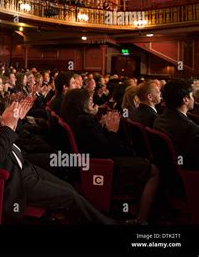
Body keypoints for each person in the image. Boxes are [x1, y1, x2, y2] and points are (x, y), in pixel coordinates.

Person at [0, 79, 116, 224]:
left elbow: (7, 138)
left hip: (24, 166)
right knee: (71, 197)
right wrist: (7, 126)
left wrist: (16, 120)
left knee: (69, 188)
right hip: (14, 179)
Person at [61, 88, 159, 223]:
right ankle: (142, 219)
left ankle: (134, 209)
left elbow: (96, 143)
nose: (93, 103)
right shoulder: (86, 121)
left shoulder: (76, 118)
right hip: (103, 167)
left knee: (142, 162)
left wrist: (101, 127)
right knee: (154, 170)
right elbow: (107, 151)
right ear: (80, 104)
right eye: (89, 101)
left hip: (92, 163)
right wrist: (112, 131)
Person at [153, 79, 199, 170]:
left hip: (167, 167)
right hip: (188, 170)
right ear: (185, 100)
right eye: (191, 96)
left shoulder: (159, 119)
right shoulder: (190, 128)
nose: (193, 99)